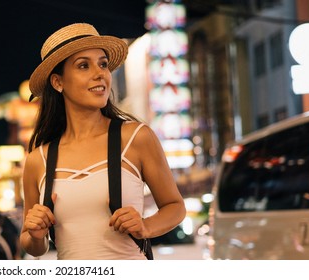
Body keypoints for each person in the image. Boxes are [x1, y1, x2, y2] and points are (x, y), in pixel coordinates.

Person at [20, 23, 186, 260]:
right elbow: (33, 245)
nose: (99, 73)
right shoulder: (39, 160)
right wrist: (35, 234)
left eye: (103, 64)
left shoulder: (136, 137)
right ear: (58, 82)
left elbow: (175, 206)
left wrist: (146, 226)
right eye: (83, 66)